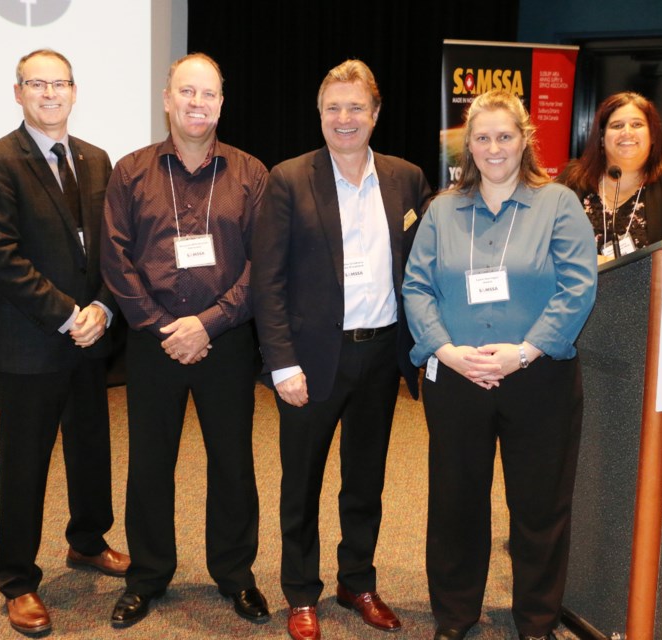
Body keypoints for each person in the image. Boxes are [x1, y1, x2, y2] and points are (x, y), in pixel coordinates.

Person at [403, 89, 597, 640]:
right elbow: (416, 287)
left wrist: (523, 351)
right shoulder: (442, 210)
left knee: (538, 506)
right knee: (455, 504)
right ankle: (455, 616)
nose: (493, 148)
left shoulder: (558, 203)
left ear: (525, 140)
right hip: (459, 378)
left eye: (504, 136)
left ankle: (536, 621)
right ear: (469, 146)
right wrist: (446, 350)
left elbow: (577, 289)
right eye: (482, 138)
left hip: (538, 378)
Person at [251, 59, 431, 640]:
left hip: (381, 354)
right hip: (310, 359)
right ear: (320, 114)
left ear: (376, 114)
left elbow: (425, 271)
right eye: (334, 107)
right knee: (300, 482)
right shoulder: (289, 178)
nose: (344, 118)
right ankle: (301, 591)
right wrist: (281, 362)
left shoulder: (407, 179)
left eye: (356, 107)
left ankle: (357, 581)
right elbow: (268, 281)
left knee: (366, 479)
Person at [100, 53, 269, 628]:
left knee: (232, 463)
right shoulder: (130, 172)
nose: (197, 103)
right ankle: (147, 575)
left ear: (222, 103)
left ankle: (235, 574)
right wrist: (160, 325)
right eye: (186, 93)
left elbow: (263, 266)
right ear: (167, 99)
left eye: (209, 94)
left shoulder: (251, 173)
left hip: (227, 342)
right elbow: (115, 259)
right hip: (154, 343)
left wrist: (211, 322)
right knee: (149, 463)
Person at [0, 48, 129, 636]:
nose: (50, 94)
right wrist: (68, 315)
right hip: (31, 341)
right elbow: (0, 258)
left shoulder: (96, 159)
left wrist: (105, 309)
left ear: (74, 91)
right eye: (37, 84)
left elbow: (114, 246)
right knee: (24, 464)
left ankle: (87, 541)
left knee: (91, 449)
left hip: (92, 336)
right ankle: (17, 580)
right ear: (18, 93)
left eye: (59, 83)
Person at [558, 91, 662, 262]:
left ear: (653, 135)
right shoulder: (574, 179)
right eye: (617, 126)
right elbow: (545, 234)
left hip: (646, 287)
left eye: (637, 124)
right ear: (601, 138)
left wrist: (626, 267)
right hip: (579, 286)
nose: (627, 132)